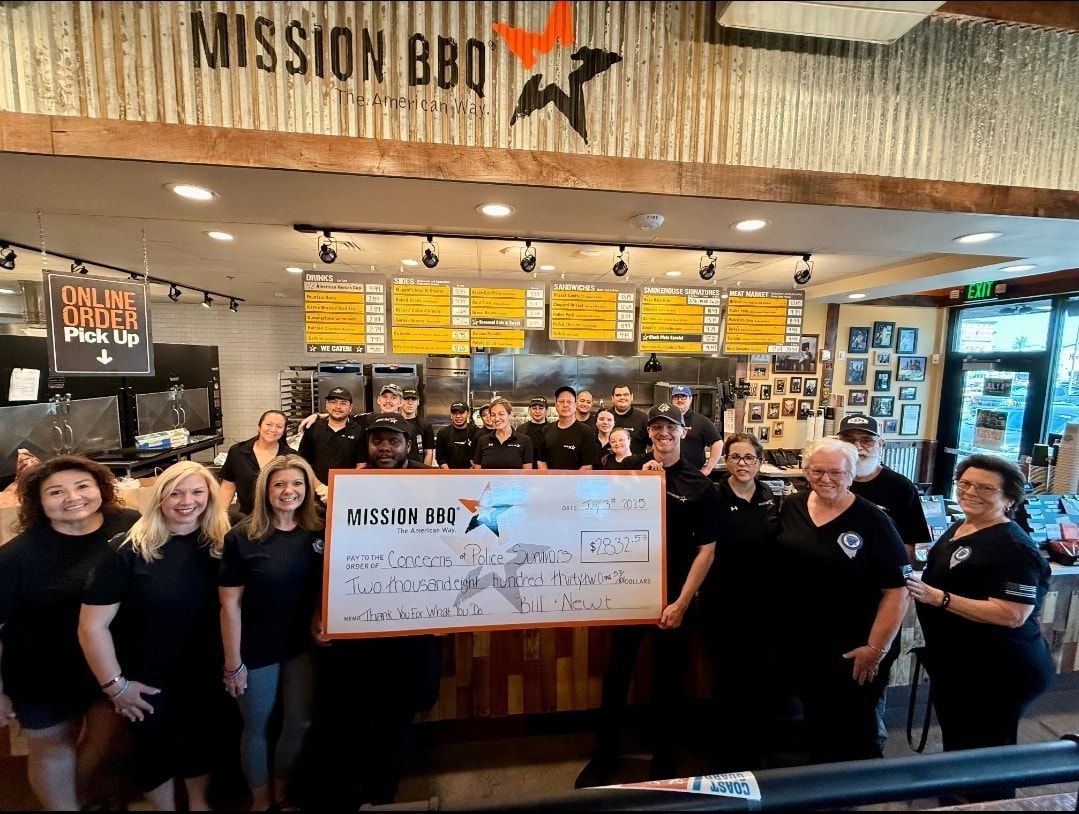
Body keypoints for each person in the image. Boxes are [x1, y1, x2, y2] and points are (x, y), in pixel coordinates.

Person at [79, 461, 230, 811]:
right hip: (146, 676)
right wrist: (115, 686)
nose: (187, 501)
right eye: (175, 493)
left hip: (204, 670)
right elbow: (91, 626)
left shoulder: (223, 542)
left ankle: (198, 803)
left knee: (200, 741)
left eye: (197, 492)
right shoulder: (127, 550)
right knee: (151, 747)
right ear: (160, 498)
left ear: (210, 495)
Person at [581, 403, 719, 785]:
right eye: (657, 427)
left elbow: (707, 551)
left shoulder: (700, 486)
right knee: (617, 673)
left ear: (683, 432)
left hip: (675, 596)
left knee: (669, 679)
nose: (664, 433)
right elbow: (595, 508)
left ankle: (663, 758)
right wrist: (636, 483)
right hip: (630, 590)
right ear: (649, 433)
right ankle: (605, 755)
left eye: (670, 427)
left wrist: (682, 603)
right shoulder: (630, 470)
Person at [0, 456, 139, 810]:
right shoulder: (15, 557)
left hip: (106, 664)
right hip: (39, 671)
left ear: (101, 488)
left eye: (82, 486)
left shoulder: (128, 525)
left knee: (103, 737)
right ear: (38, 501)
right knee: (53, 749)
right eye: (56, 492)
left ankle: (77, 796)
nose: (72, 497)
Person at [318, 413, 441, 807]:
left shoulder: (433, 483)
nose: (384, 448)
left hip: (414, 618)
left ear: (409, 444)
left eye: (393, 441)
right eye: (378, 441)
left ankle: (385, 794)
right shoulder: (349, 485)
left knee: (400, 713)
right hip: (362, 622)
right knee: (358, 713)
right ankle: (356, 794)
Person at [773, 437, 910, 764]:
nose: (826, 479)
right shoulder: (792, 506)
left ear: (851, 474)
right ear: (806, 471)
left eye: (836, 472)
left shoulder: (874, 520)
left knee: (853, 731)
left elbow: (898, 590)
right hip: (804, 643)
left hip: (854, 648)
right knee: (816, 722)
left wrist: (876, 649)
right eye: (817, 471)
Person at [906, 455, 1053, 755]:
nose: (971, 492)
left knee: (984, 752)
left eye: (985, 488)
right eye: (965, 484)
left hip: (998, 670)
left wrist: (941, 599)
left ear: (1009, 499)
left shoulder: (1013, 546)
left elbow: (1013, 614)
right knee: (960, 741)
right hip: (960, 664)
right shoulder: (963, 526)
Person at [219, 454, 323, 811]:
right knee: (256, 726)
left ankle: (281, 789)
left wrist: (317, 617)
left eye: (296, 483)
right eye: (279, 484)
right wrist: (233, 663)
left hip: (301, 644)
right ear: (265, 490)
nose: (288, 491)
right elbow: (229, 605)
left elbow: (325, 586)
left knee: (300, 722)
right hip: (255, 646)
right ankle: (260, 801)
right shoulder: (242, 537)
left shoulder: (319, 530)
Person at [699, 433, 778, 771]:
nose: (742, 463)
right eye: (735, 457)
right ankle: (725, 754)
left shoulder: (769, 495)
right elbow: (706, 551)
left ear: (759, 461)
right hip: (723, 603)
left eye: (749, 457)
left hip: (762, 605)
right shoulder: (713, 495)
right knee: (727, 679)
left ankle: (753, 749)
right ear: (725, 460)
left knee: (758, 678)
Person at [837, 414, 929, 563]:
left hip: (880, 568)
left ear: (880, 444)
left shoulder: (901, 486)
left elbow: (910, 540)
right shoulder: (831, 481)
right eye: (849, 440)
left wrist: (897, 573)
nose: (857, 447)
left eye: (867, 440)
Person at [296, 383, 405, 469]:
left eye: (393, 397)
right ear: (378, 400)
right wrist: (317, 416)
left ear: (400, 402)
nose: (388, 401)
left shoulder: (406, 425)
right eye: (384, 397)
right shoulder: (364, 419)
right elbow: (340, 414)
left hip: (398, 472)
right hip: (373, 472)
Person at [219, 410, 292, 516]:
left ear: (284, 431)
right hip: (247, 516)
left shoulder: (290, 456)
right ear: (259, 427)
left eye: (279, 426)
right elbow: (227, 486)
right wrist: (220, 515)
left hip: (281, 516)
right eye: (268, 424)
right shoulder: (237, 452)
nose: (273, 429)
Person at [296, 386, 364, 500]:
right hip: (315, 494)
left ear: (351, 407)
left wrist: (345, 488)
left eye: (343, 403)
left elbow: (361, 465)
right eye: (333, 402)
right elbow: (303, 462)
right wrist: (320, 489)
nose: (338, 407)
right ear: (327, 405)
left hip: (347, 493)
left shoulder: (358, 430)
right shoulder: (313, 428)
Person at [537, 386, 598, 471]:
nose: (565, 405)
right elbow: (541, 461)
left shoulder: (586, 432)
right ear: (556, 405)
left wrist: (570, 479)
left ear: (575, 405)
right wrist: (548, 477)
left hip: (576, 479)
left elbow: (587, 466)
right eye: (561, 401)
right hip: (550, 479)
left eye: (569, 402)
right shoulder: (546, 429)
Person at [670, 385, 723, 476]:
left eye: (683, 396)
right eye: (676, 397)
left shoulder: (701, 421)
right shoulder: (666, 420)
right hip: (669, 473)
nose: (679, 400)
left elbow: (718, 443)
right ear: (672, 400)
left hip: (693, 474)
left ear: (690, 399)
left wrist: (708, 469)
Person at [472, 398, 534, 470]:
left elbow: (527, 473)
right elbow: (478, 472)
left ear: (510, 414)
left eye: (501, 414)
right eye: (493, 415)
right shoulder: (482, 440)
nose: (497, 418)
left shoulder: (525, 440)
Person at [435, 401, 480, 470]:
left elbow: (480, 457)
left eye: (461, 413)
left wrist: (470, 471)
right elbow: (440, 458)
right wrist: (450, 473)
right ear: (451, 415)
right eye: (455, 413)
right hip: (449, 473)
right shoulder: (442, 433)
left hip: (472, 473)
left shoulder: (477, 432)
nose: (458, 416)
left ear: (468, 414)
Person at [400, 388, 436, 466]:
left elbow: (428, 453)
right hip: (397, 469)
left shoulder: (425, 425)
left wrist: (425, 471)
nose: (410, 403)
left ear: (418, 402)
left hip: (418, 469)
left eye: (413, 399)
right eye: (406, 399)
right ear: (400, 401)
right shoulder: (395, 423)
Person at [610, 384, 649, 455]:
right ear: (612, 398)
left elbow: (653, 444)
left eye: (626, 394)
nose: (622, 397)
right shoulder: (605, 418)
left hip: (636, 462)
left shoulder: (643, 418)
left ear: (631, 397)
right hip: (609, 461)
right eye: (618, 395)